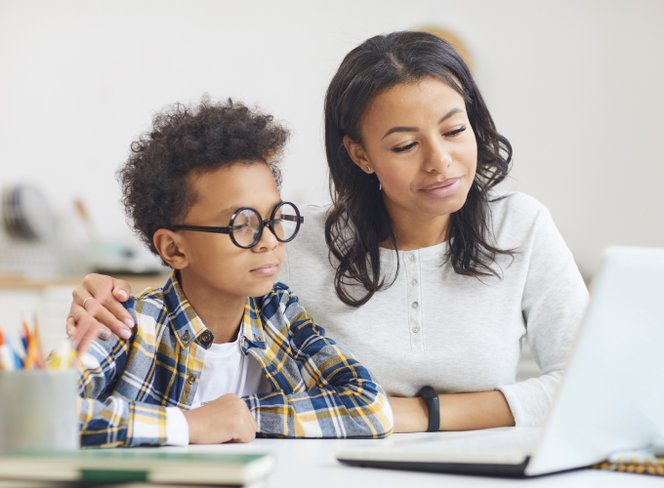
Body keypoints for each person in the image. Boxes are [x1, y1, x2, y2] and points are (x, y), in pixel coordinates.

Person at [68, 32, 588, 434]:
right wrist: (106, 294)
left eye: (455, 131)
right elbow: (205, 274)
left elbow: (589, 385)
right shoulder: (295, 240)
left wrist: (415, 415)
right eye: (406, 146)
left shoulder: (523, 226)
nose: (441, 162)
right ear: (360, 155)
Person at [74, 98, 393, 448]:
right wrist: (187, 425)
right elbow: (35, 414)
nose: (269, 241)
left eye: (275, 218)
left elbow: (370, 407)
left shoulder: (279, 315)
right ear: (174, 249)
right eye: (241, 224)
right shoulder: (128, 325)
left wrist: (242, 414)